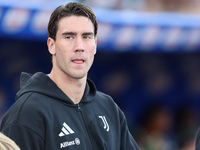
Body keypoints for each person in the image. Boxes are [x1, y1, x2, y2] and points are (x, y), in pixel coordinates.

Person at [0, 2, 140, 150]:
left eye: (86, 37)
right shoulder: (26, 113)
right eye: (69, 37)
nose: (79, 46)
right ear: (51, 45)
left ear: (95, 45)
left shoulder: (109, 107)